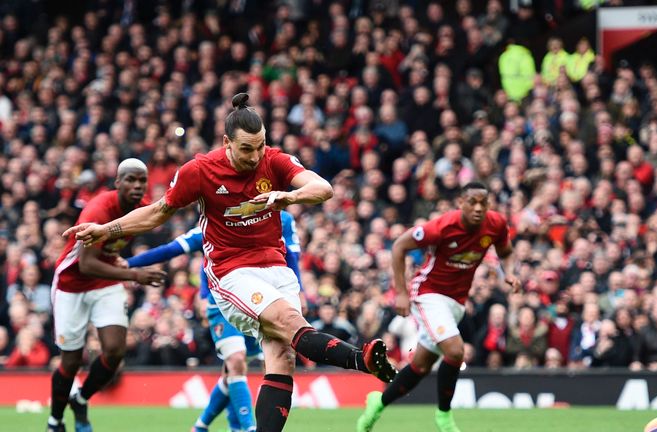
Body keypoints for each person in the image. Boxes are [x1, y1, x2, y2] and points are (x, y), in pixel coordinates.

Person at [64, 94, 396, 432]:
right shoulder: (200, 171)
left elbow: (322, 187)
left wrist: (289, 195)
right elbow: (157, 213)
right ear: (226, 143)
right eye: (246, 149)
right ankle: (361, 358)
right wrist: (106, 229)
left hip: (276, 268)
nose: (255, 156)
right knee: (284, 323)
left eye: (260, 146)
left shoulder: (274, 160)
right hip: (231, 272)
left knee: (283, 358)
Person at [357, 182, 520, 432]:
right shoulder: (443, 226)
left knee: (420, 366)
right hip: (428, 294)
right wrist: (401, 292)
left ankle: (377, 403)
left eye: (483, 203)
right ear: (460, 203)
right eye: (472, 202)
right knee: (455, 351)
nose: (478, 208)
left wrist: (508, 273)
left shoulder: (495, 224)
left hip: (456, 302)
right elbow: (400, 245)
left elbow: (506, 251)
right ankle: (444, 417)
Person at [126, 210, 303, 432]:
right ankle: (248, 428)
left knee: (232, 372)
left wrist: (298, 292)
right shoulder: (218, 219)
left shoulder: (279, 219)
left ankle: (201, 426)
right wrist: (127, 263)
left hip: (256, 303)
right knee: (237, 361)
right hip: (220, 303)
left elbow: (292, 254)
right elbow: (173, 249)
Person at [48, 159, 167, 432]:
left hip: (105, 281)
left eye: (141, 180)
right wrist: (136, 275)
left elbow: (157, 218)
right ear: (117, 183)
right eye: (130, 180)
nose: (137, 186)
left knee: (114, 351)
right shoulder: (98, 209)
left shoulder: (142, 206)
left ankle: (81, 399)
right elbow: (86, 264)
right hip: (71, 283)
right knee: (71, 360)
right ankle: (55, 420)